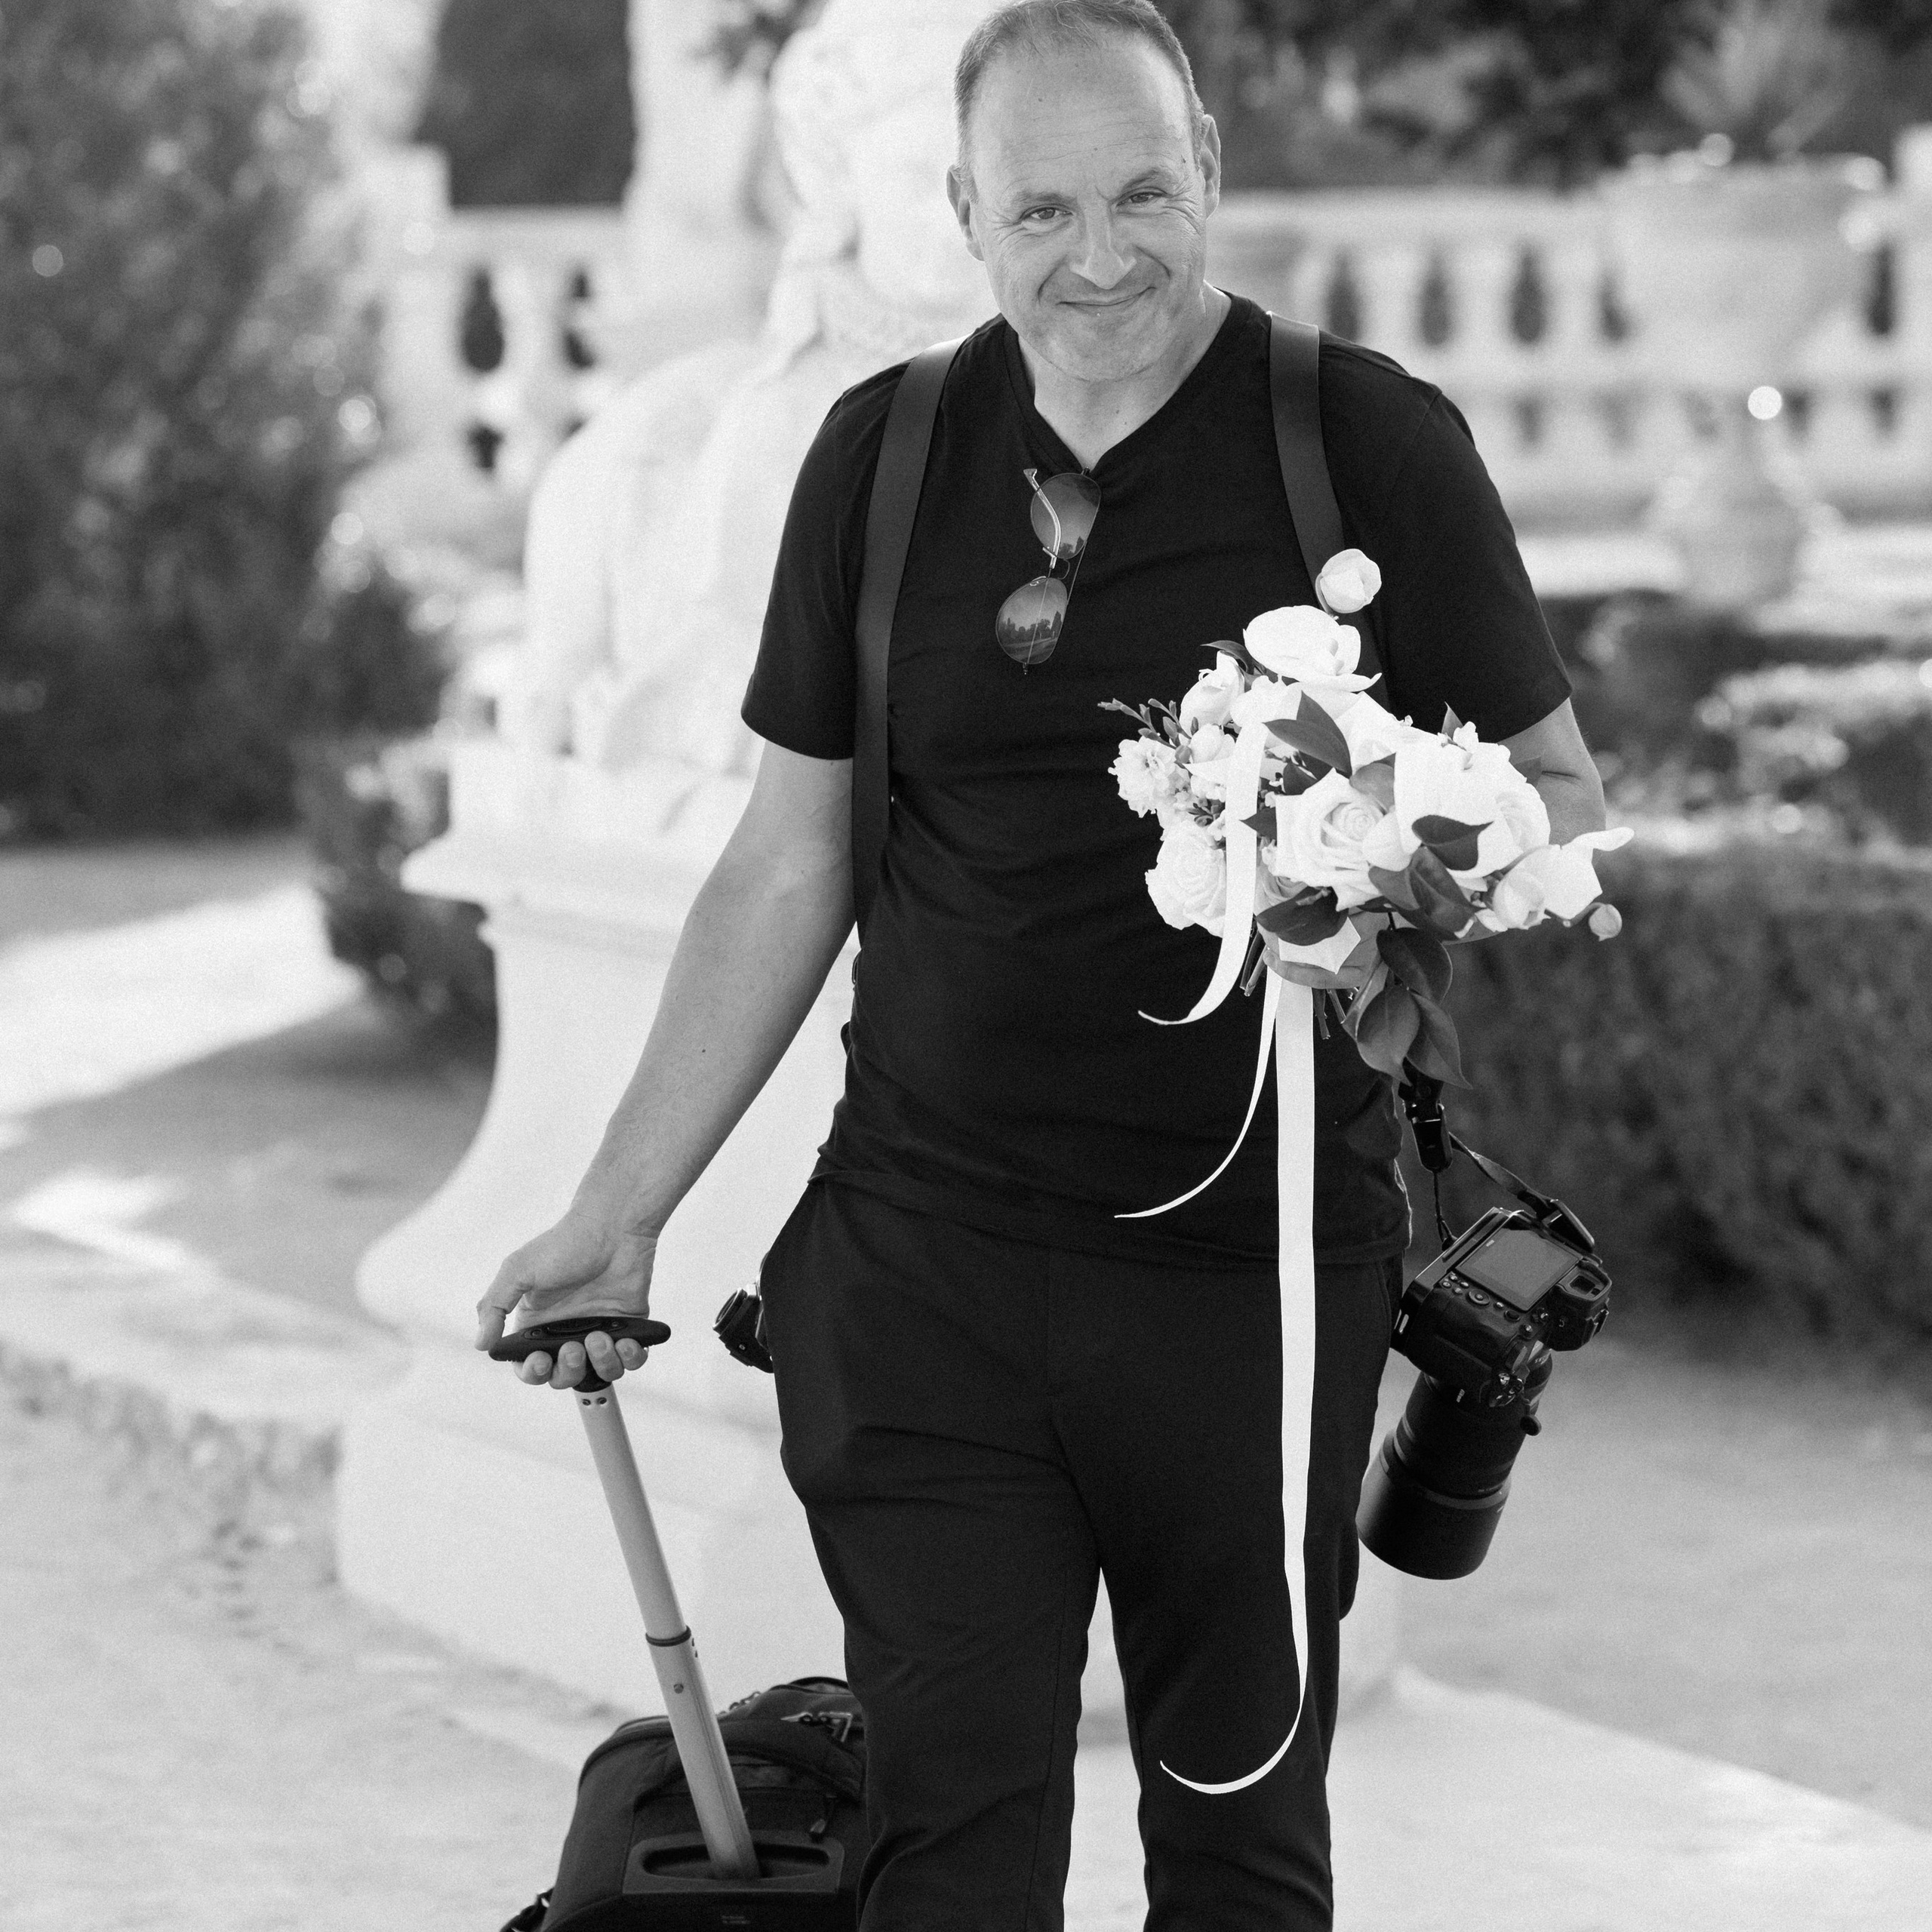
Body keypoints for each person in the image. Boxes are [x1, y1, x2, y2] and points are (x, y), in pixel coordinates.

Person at [475, 2, 1607, 1925]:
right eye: (1043, 208)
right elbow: (787, 855)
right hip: (925, 1275)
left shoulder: (1362, 440)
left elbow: (1559, 815)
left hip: (1241, 1296)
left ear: (1212, 173)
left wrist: (1364, 852)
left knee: (1239, 1850)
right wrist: (615, 1203)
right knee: (951, 1857)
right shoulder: (884, 453)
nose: (1101, 254)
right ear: (960, 212)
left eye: (1145, 192)